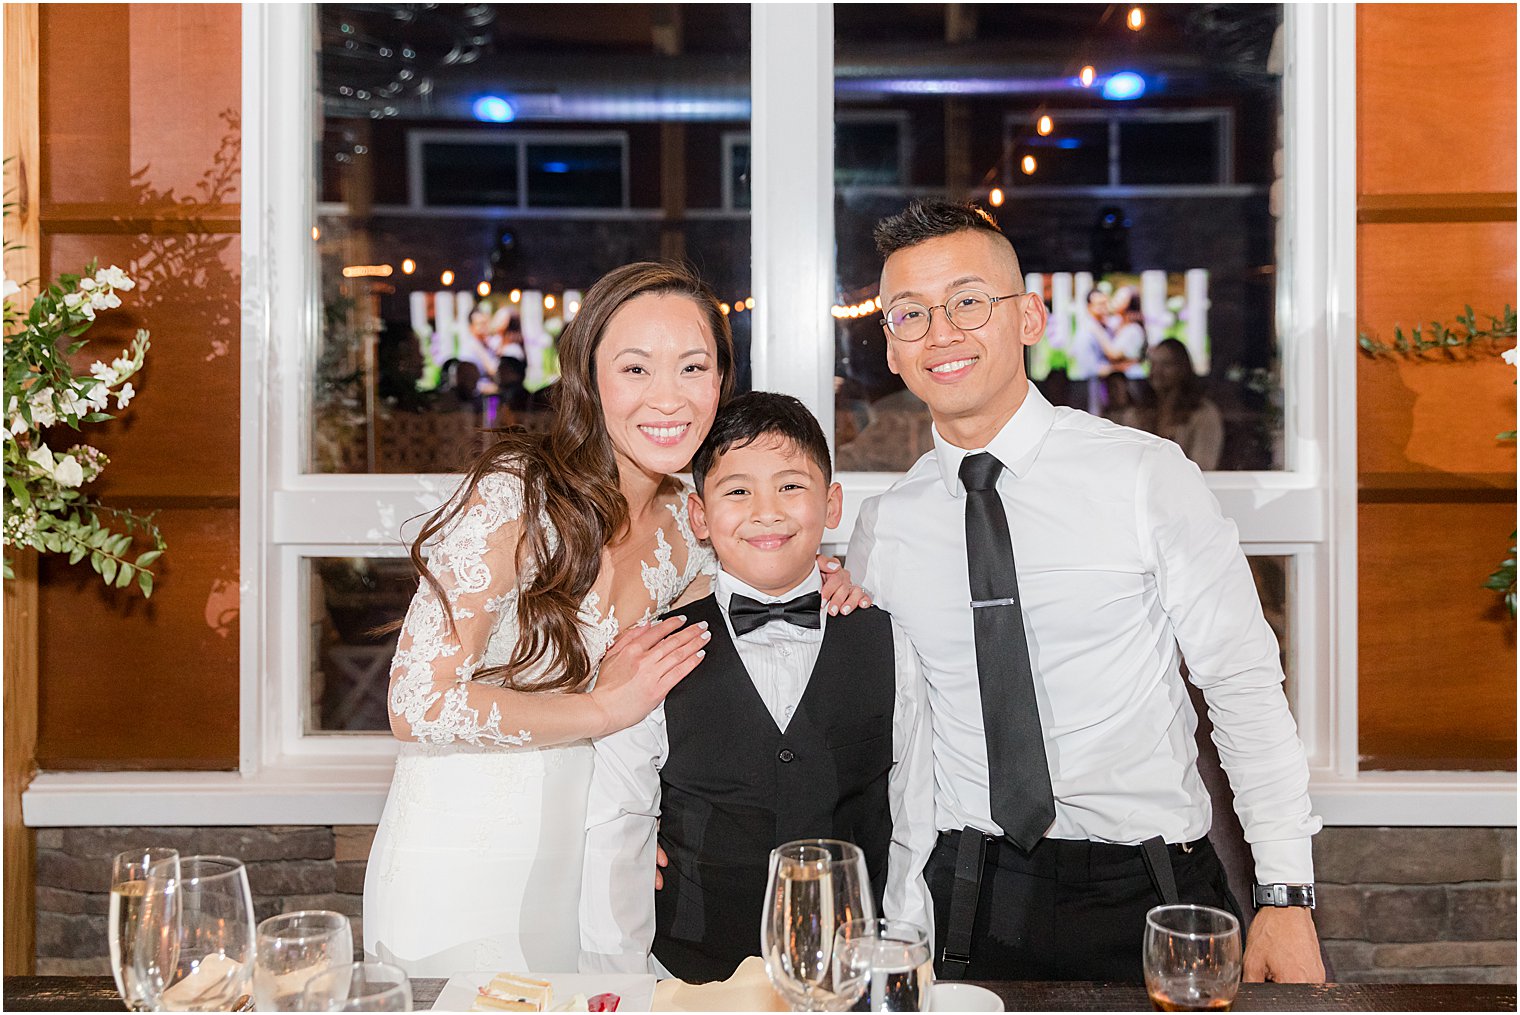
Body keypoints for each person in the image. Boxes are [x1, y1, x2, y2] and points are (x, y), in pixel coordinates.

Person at [848, 200, 1324, 983]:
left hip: (1150, 891)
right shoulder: (884, 527)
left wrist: (1285, 891)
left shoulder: (1144, 475)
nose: (942, 332)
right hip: (966, 894)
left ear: (1029, 316)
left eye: (969, 301)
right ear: (892, 349)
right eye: (911, 314)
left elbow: (1241, 682)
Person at [363, 262, 864, 975]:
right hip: (457, 869)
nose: (668, 397)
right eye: (636, 367)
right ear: (589, 380)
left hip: (590, 885)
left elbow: (744, 619)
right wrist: (600, 706)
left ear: (721, 380)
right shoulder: (514, 498)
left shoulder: (682, 533)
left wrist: (828, 580)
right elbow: (417, 701)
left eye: (693, 366)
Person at [579, 392, 935, 983]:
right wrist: (621, 985)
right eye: (737, 491)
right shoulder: (657, 654)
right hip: (687, 973)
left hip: (847, 973)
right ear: (699, 515)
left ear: (832, 505)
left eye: (792, 487)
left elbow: (912, 820)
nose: (766, 512)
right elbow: (618, 828)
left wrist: (901, 962)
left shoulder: (886, 643)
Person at [1131, 338, 1225, 471]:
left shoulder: (1204, 414)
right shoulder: (1137, 414)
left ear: (1182, 368)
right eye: (1153, 364)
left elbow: (1202, 468)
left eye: (1166, 365)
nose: (1156, 372)